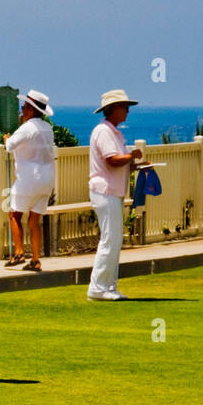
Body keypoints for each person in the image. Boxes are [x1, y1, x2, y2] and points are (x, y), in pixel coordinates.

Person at [88, 89, 143, 301]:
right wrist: (131, 156)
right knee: (110, 239)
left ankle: (108, 286)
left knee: (114, 239)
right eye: (124, 107)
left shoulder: (114, 132)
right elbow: (112, 160)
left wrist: (135, 165)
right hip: (105, 191)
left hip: (112, 191)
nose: (127, 111)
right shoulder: (104, 132)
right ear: (113, 109)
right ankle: (98, 287)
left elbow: (119, 162)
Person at [4, 89, 56, 272]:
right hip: (46, 180)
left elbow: (9, 146)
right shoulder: (47, 128)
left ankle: (18, 252)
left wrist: (6, 139)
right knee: (34, 220)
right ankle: (35, 259)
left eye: (25, 107)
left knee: (14, 214)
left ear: (31, 110)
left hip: (28, 179)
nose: (22, 110)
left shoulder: (27, 127)